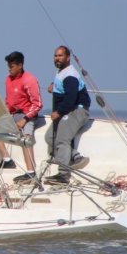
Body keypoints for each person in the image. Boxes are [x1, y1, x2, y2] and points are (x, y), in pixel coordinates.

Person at [44, 46, 91, 185]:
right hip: (68, 111)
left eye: (60, 56)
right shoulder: (62, 72)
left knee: (62, 140)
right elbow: (63, 87)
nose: (57, 58)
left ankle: (63, 175)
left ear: (68, 58)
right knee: (50, 137)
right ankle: (76, 157)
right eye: (55, 56)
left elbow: (71, 98)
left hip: (77, 110)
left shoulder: (70, 75)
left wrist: (58, 112)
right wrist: (53, 85)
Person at [2, 51, 43, 184]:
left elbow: (38, 104)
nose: (9, 69)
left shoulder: (29, 80)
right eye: (8, 66)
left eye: (12, 66)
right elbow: (8, 102)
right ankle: (7, 160)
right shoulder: (8, 80)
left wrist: (24, 120)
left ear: (20, 65)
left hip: (27, 115)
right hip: (13, 115)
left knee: (26, 139)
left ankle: (31, 173)